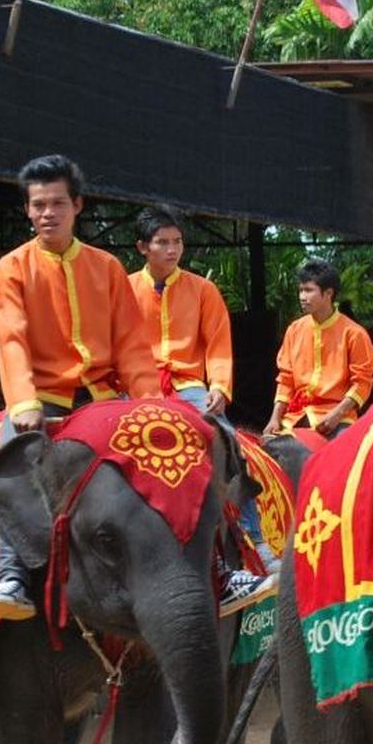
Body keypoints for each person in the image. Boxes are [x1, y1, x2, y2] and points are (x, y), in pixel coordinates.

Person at [0, 155, 268, 621]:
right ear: (27, 212)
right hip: (43, 397)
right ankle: (12, 576)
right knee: (11, 462)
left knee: (175, 459)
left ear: (77, 205)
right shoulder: (11, 269)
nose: (47, 213)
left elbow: (132, 346)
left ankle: (219, 568)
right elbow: (10, 339)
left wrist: (151, 406)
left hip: (102, 396)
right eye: (37, 206)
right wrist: (25, 403)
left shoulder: (107, 268)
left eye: (57, 203)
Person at [128, 205, 279, 581]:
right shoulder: (124, 289)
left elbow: (218, 345)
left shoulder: (202, 289)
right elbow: (118, 344)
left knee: (228, 443)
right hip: (137, 386)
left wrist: (219, 386)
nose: (172, 249)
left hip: (189, 387)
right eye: (162, 242)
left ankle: (254, 538)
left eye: (177, 241)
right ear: (142, 247)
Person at [263, 260, 373, 439]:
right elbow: (286, 379)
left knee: (349, 452)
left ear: (328, 293)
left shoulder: (354, 333)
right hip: (296, 417)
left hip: (339, 417)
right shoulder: (294, 330)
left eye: (309, 290)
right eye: (301, 290)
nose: (302, 296)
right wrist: (274, 419)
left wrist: (337, 414)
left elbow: (362, 382)